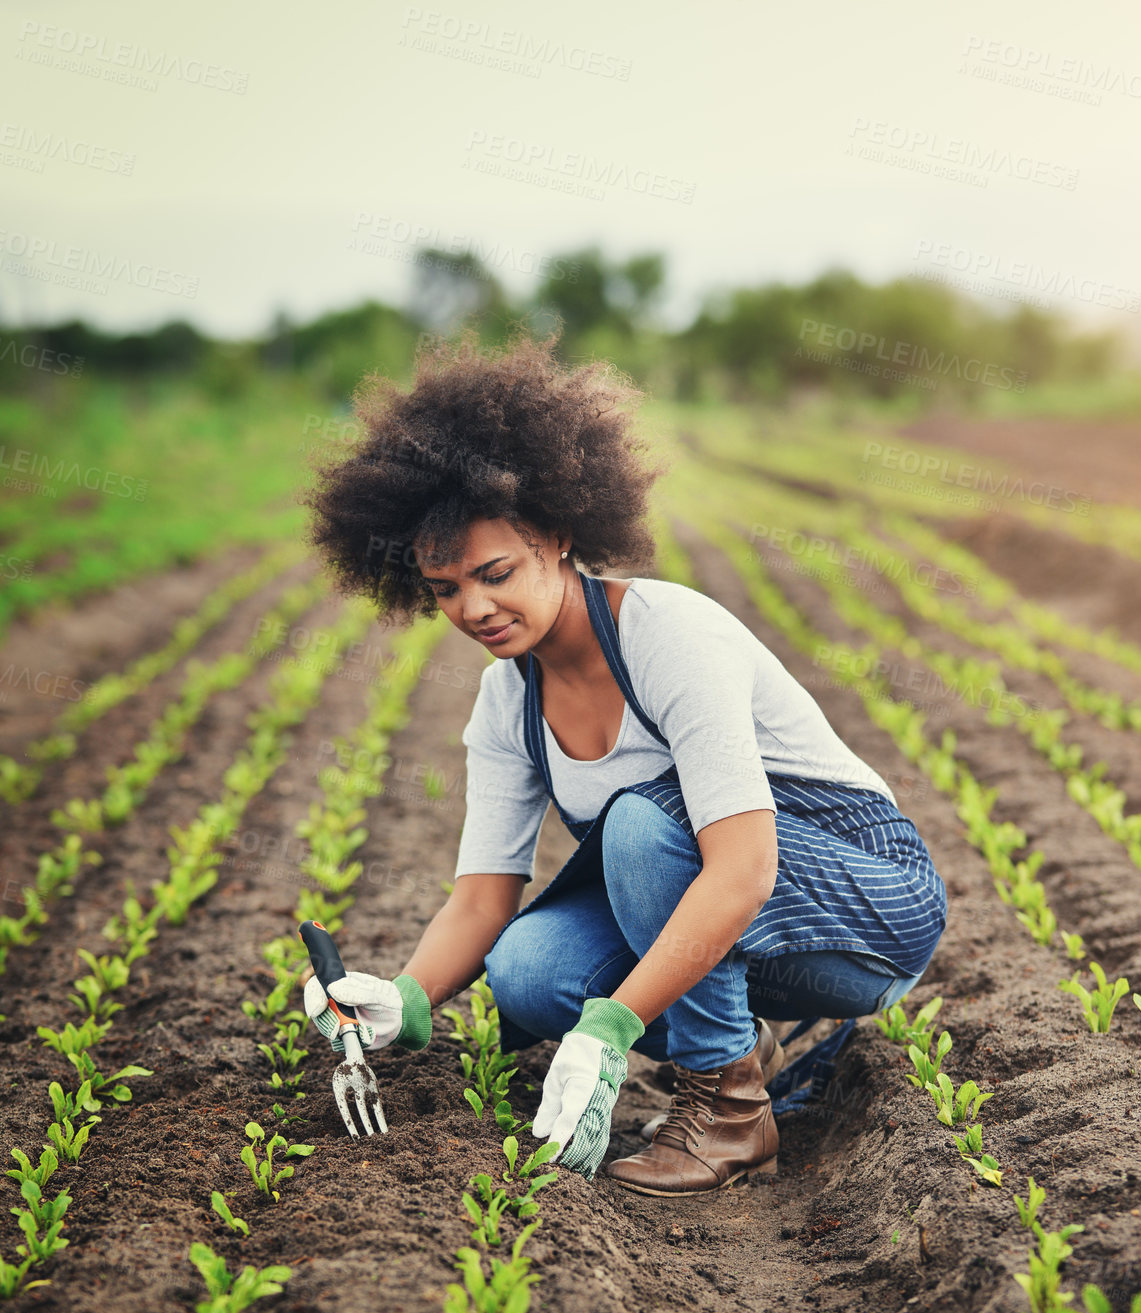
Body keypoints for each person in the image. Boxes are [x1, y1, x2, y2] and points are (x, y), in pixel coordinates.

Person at [299, 332, 947, 1197]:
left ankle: (726, 1110)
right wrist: (405, 1003)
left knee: (644, 825)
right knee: (528, 971)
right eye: (445, 587)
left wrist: (611, 1026)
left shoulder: (668, 636)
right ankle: (734, 1044)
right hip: (731, 904)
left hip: (865, 906)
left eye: (494, 573)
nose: (474, 608)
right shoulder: (507, 704)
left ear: (557, 535)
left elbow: (745, 868)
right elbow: (483, 896)